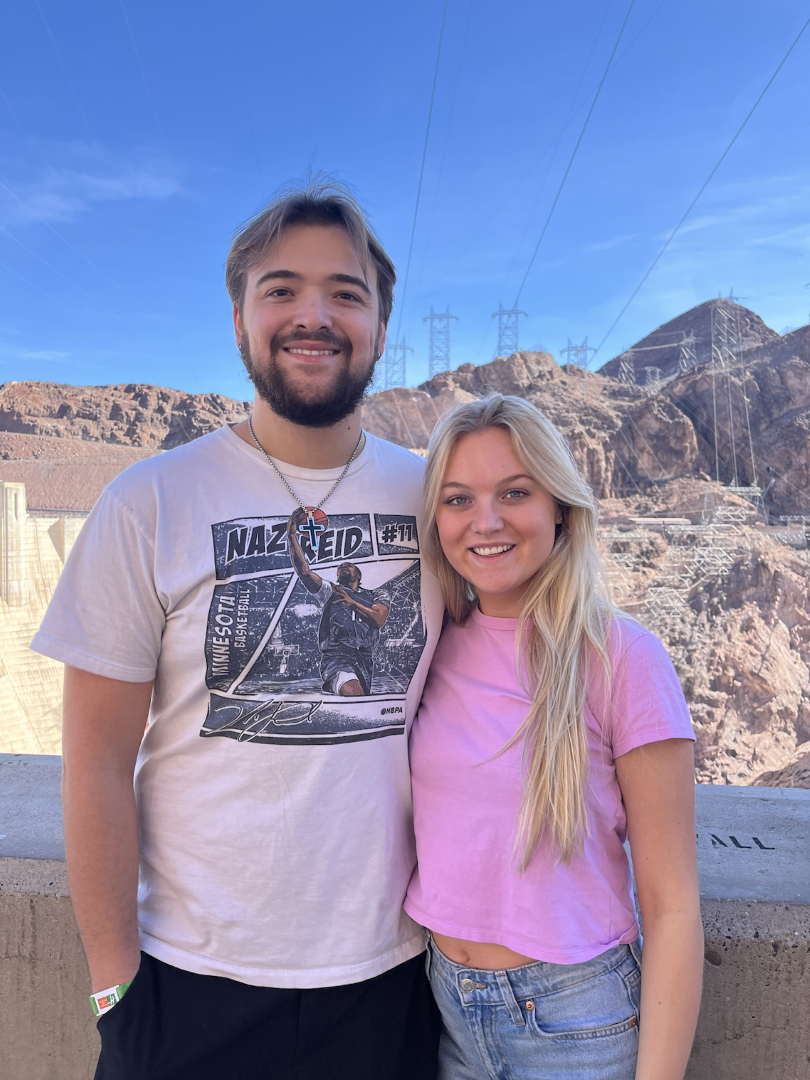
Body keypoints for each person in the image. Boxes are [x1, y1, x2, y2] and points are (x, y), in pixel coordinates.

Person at [32, 179, 443, 1080]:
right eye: (281, 289)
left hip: (392, 982)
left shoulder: (437, 498)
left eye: (346, 293)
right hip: (185, 989)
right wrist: (114, 991)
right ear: (238, 321)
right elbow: (96, 760)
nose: (314, 316)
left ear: (380, 325)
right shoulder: (150, 501)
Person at [405, 394, 703, 1080]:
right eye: (457, 499)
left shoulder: (622, 658)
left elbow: (672, 906)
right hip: (445, 1009)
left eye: (515, 492)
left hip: (578, 1024)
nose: (486, 521)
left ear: (560, 508)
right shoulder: (429, 644)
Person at [286, 507, 390, 696]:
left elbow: (378, 620)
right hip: (336, 658)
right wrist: (292, 535)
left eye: (348, 566)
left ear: (358, 575)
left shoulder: (377, 594)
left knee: (361, 698)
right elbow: (304, 572)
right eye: (340, 568)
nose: (343, 567)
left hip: (363, 658)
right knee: (354, 692)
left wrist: (352, 603)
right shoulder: (331, 592)